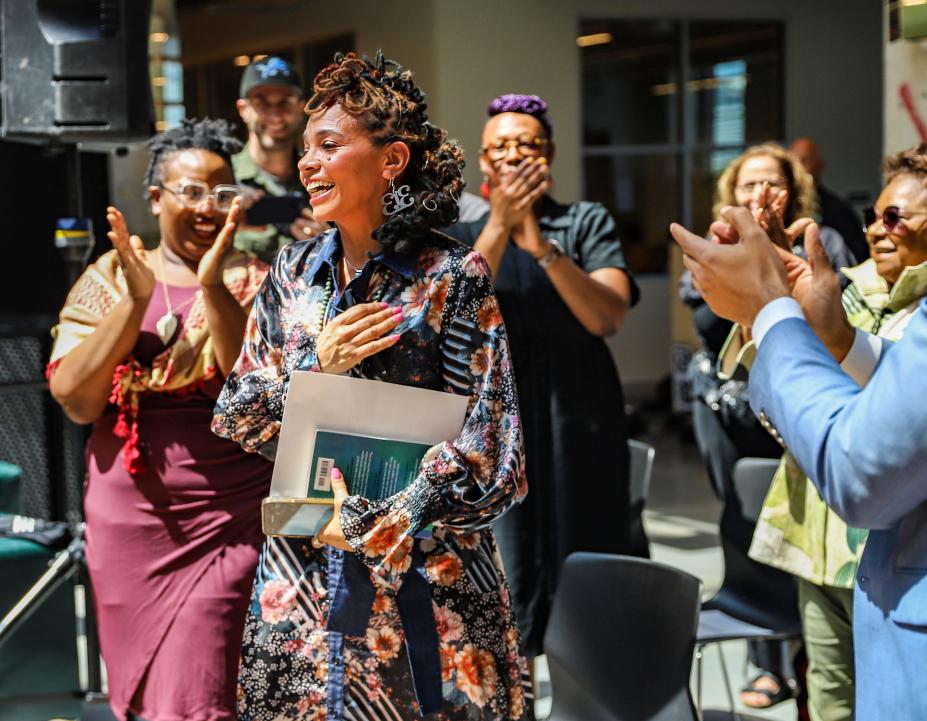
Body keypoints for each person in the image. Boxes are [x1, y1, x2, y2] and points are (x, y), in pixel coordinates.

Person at [212, 52, 530, 721]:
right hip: (303, 583)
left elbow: (494, 452)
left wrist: (396, 512)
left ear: (391, 160)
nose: (307, 164)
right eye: (305, 149)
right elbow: (235, 412)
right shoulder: (294, 270)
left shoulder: (451, 275)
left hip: (425, 581)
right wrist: (314, 370)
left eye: (329, 145)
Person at [671, 143, 927, 720]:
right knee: (829, 692)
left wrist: (770, 311)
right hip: (827, 542)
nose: (878, 229)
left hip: (908, 580)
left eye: (896, 218)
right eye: (874, 215)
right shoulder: (844, 282)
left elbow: (864, 468)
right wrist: (835, 337)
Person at [47, 118, 272, 721]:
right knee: (142, 695)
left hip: (227, 515)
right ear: (155, 198)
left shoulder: (254, 279)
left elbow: (250, 389)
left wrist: (213, 288)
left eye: (221, 194)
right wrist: (136, 300)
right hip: (129, 522)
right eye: (191, 192)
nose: (207, 208)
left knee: (205, 686)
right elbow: (76, 399)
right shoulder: (114, 274)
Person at [445, 93, 639, 659]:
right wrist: (502, 227)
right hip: (495, 437)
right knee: (503, 583)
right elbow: (457, 313)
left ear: (548, 155)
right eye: (500, 146)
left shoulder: (584, 222)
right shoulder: (458, 232)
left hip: (580, 424)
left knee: (589, 576)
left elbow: (607, 316)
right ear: (483, 162)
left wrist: (542, 247)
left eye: (526, 143)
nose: (513, 155)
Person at [683, 142, 855, 710]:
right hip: (729, 408)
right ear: (731, 193)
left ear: (794, 190)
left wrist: (777, 258)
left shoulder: (821, 241)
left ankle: (803, 654)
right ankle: (766, 663)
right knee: (742, 528)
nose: (761, 194)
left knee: (793, 529)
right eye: (749, 183)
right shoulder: (712, 245)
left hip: (793, 405)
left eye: (773, 183)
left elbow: (836, 322)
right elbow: (710, 326)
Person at [233, 55, 323, 262]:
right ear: (243, 109)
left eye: (285, 101)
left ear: (302, 106)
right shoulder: (223, 179)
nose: (275, 115)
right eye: (261, 102)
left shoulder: (323, 177)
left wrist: (330, 243)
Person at [790, 137, 869, 263]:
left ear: (820, 165)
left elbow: (856, 256)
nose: (797, 168)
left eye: (804, 160)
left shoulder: (838, 210)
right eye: (792, 162)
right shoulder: (784, 207)